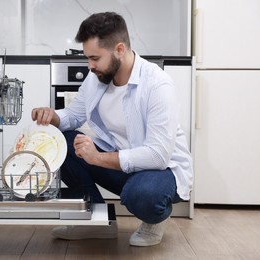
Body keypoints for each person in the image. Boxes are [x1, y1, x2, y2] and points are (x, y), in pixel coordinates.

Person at [31, 12, 193, 247]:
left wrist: (98, 158)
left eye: (95, 58)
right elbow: (75, 115)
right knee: (61, 142)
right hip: (121, 163)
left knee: (142, 195)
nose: (90, 65)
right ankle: (99, 222)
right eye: (88, 58)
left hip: (162, 171)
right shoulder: (96, 78)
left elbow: (157, 156)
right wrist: (53, 116)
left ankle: (153, 221)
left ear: (119, 49)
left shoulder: (157, 85)